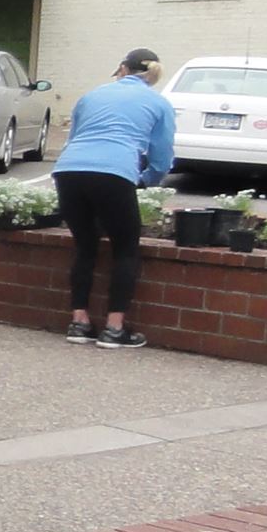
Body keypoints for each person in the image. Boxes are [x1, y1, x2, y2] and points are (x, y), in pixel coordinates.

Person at [52, 47, 175, 350]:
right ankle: (114, 329)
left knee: (85, 245)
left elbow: (75, 137)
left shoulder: (92, 96)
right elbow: (162, 157)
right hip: (115, 172)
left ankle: (79, 322)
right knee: (125, 247)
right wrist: (146, 181)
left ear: (122, 68)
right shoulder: (158, 103)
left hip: (69, 171)